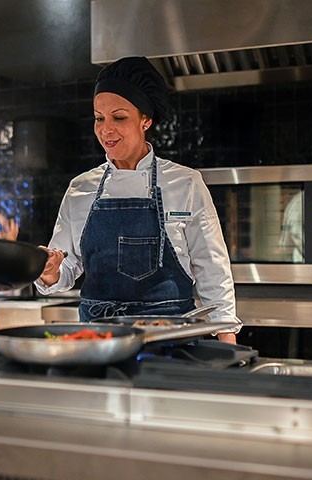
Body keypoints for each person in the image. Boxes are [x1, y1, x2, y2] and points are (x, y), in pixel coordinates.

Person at [35, 56, 240, 343]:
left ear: (146, 120)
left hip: (170, 341)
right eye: (99, 118)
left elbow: (212, 271)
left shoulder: (186, 183)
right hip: (100, 342)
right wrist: (49, 271)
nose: (106, 130)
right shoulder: (80, 189)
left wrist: (229, 349)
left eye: (119, 118)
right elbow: (65, 269)